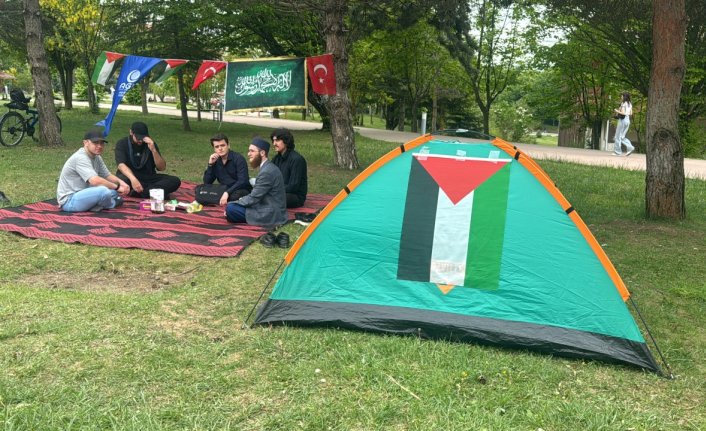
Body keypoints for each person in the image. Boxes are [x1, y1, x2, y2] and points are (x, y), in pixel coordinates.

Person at [57, 129, 130, 212]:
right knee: (104, 191)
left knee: (112, 192)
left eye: (101, 143)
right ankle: (112, 204)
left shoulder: (96, 156)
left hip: (84, 194)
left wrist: (121, 183)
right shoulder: (80, 158)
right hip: (70, 200)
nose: (99, 146)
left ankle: (96, 205)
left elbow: (106, 175)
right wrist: (117, 187)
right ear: (85, 143)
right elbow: (95, 181)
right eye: (95, 143)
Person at [225, 137, 287, 226]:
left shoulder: (267, 172)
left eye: (252, 151)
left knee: (231, 208)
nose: (248, 154)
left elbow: (253, 198)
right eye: (249, 151)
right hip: (268, 206)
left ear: (262, 153)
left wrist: (233, 203)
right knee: (237, 203)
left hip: (271, 213)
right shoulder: (268, 167)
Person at [114, 121, 181, 198]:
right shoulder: (122, 143)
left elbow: (162, 168)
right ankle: (155, 192)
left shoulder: (150, 144)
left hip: (148, 177)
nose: (140, 141)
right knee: (123, 180)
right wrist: (133, 179)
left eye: (143, 138)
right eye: (138, 137)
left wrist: (153, 150)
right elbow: (121, 165)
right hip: (130, 176)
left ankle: (143, 193)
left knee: (175, 181)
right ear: (131, 132)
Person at [202, 132, 252, 205]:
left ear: (228, 145)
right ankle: (220, 199)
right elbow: (207, 182)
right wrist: (210, 165)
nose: (220, 148)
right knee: (201, 191)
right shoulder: (215, 160)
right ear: (214, 149)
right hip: (224, 189)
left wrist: (227, 192)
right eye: (217, 147)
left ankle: (219, 200)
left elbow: (243, 181)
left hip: (239, 189)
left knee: (235, 196)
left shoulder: (238, 159)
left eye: (222, 145)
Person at [270, 127, 307, 208]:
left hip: (294, 196)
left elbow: (293, 186)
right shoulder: (276, 159)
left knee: (272, 198)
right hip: (278, 191)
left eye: (277, 140)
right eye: (273, 141)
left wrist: (273, 190)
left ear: (286, 141)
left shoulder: (297, 160)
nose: (274, 143)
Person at [613, 92, 635, 157]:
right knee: (622, 136)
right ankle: (630, 147)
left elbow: (623, 113)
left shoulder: (623, 104)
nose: (621, 97)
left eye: (622, 96)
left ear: (624, 97)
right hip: (627, 121)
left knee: (617, 136)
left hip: (622, 121)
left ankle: (617, 152)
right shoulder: (630, 104)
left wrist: (616, 111)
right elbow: (630, 113)